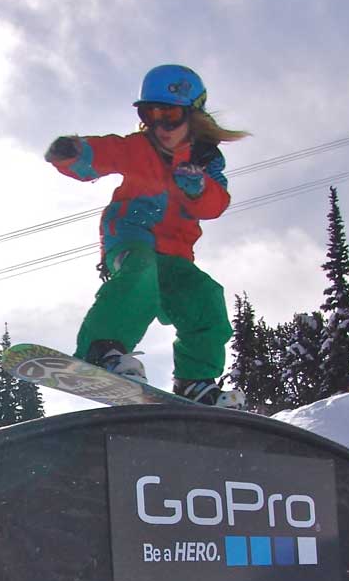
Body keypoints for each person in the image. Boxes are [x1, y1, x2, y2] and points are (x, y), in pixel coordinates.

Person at [45, 63, 249, 406]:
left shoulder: (207, 161)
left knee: (204, 297)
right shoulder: (139, 148)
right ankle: (103, 348)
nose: (159, 126)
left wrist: (199, 187)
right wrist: (74, 154)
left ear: (192, 115)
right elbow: (104, 153)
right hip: (130, 236)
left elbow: (215, 205)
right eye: (149, 115)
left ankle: (195, 381)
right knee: (140, 273)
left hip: (175, 255)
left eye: (169, 116)